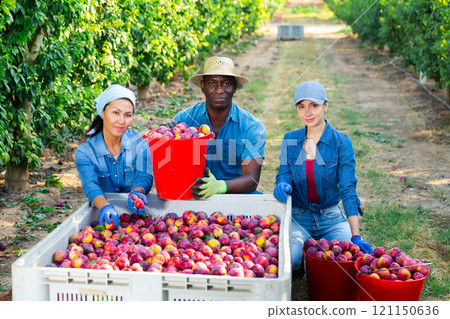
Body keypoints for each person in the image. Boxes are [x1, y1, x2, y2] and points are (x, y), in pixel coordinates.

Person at [273, 80, 373, 276]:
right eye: (301, 106)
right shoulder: (290, 139)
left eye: (314, 105)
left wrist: (356, 235)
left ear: (325, 106)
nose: (307, 113)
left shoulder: (341, 142)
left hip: (331, 217)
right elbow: (284, 171)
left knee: (347, 258)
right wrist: (282, 183)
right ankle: (299, 264)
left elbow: (347, 188)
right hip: (299, 216)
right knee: (288, 260)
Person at [171, 56, 266, 199]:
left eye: (226, 84)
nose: (219, 90)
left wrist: (220, 186)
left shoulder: (251, 127)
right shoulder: (183, 121)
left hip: (234, 194)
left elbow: (251, 180)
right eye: (212, 83)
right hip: (194, 194)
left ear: (234, 87)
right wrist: (166, 138)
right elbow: (171, 168)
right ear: (203, 87)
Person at [75, 84, 153, 229]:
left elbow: (144, 175)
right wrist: (105, 207)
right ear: (103, 112)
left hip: (135, 215)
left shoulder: (139, 143)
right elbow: (90, 184)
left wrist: (137, 192)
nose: (122, 121)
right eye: (116, 113)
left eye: (127, 115)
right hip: (104, 214)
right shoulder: (85, 152)